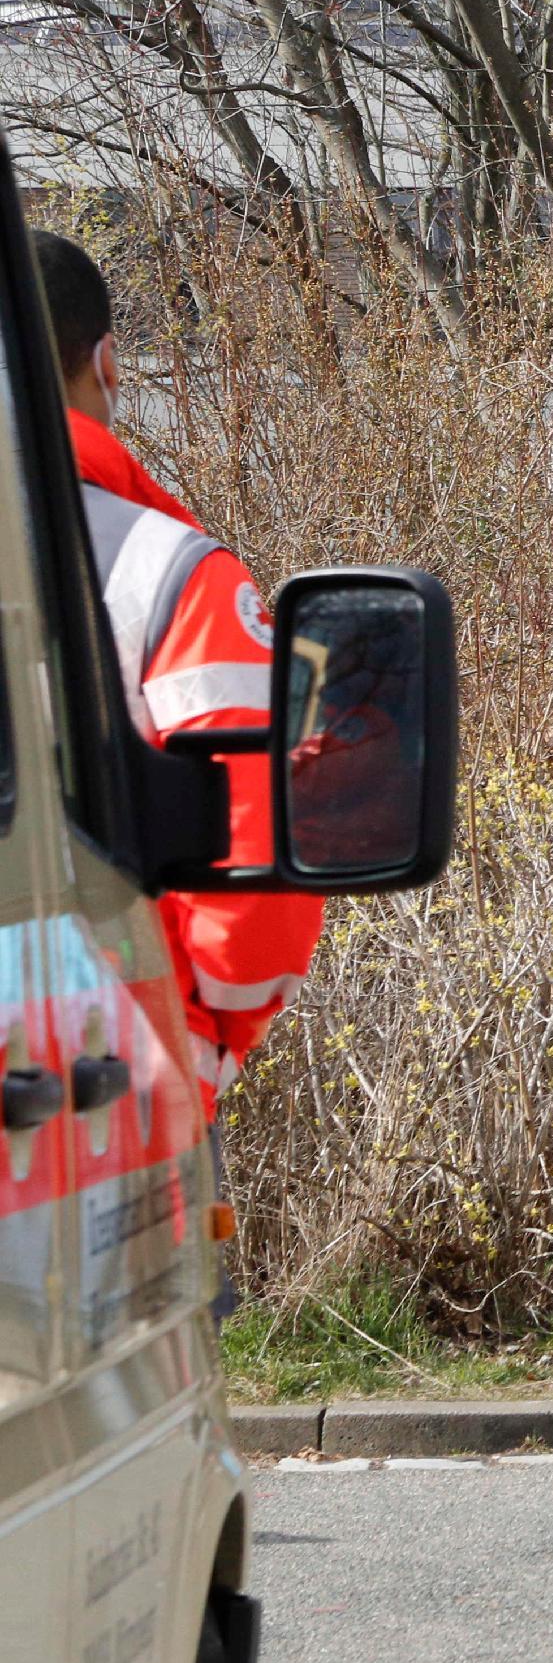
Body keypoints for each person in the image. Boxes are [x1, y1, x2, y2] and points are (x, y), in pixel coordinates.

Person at [36, 232, 324, 1311]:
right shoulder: (162, 572)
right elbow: (263, 861)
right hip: (94, 1129)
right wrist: (193, 1050)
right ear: (106, 363)